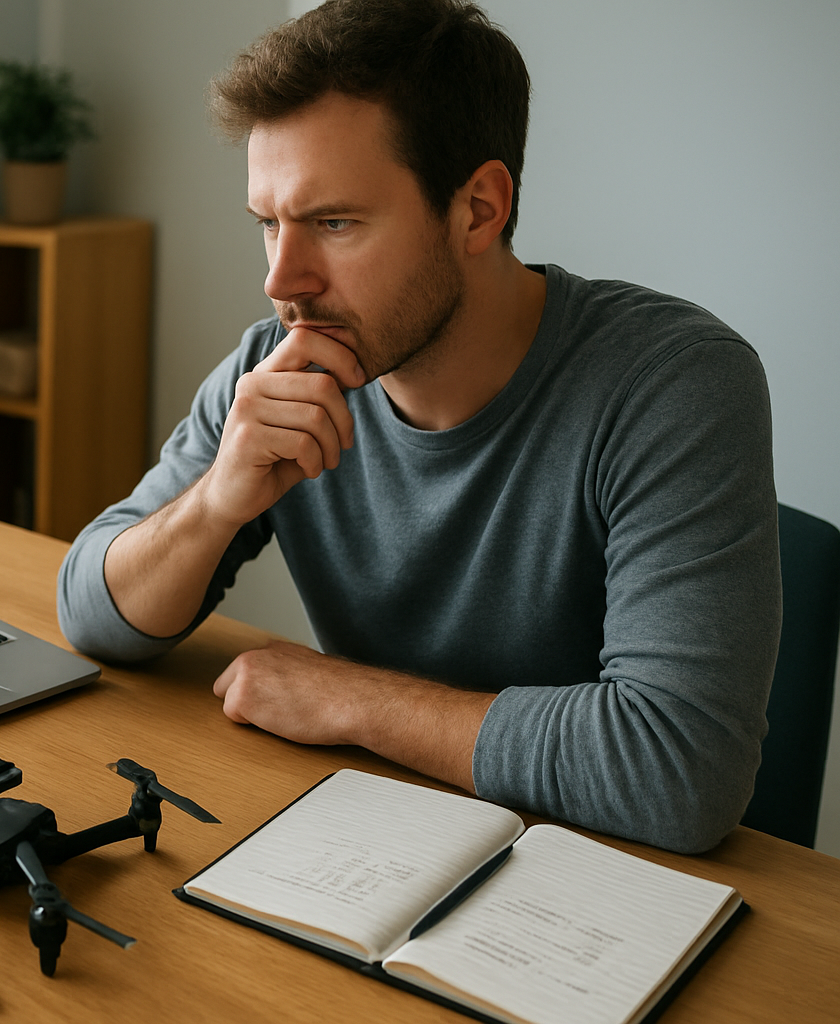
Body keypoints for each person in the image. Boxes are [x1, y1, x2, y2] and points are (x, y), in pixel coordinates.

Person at [56, 0, 780, 854]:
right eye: (267, 224)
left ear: (479, 209)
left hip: (605, 880)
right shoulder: (283, 367)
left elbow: (676, 773)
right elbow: (89, 612)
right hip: (379, 842)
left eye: (334, 223)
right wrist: (217, 503)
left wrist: (347, 698)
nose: (281, 279)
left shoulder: (673, 383)